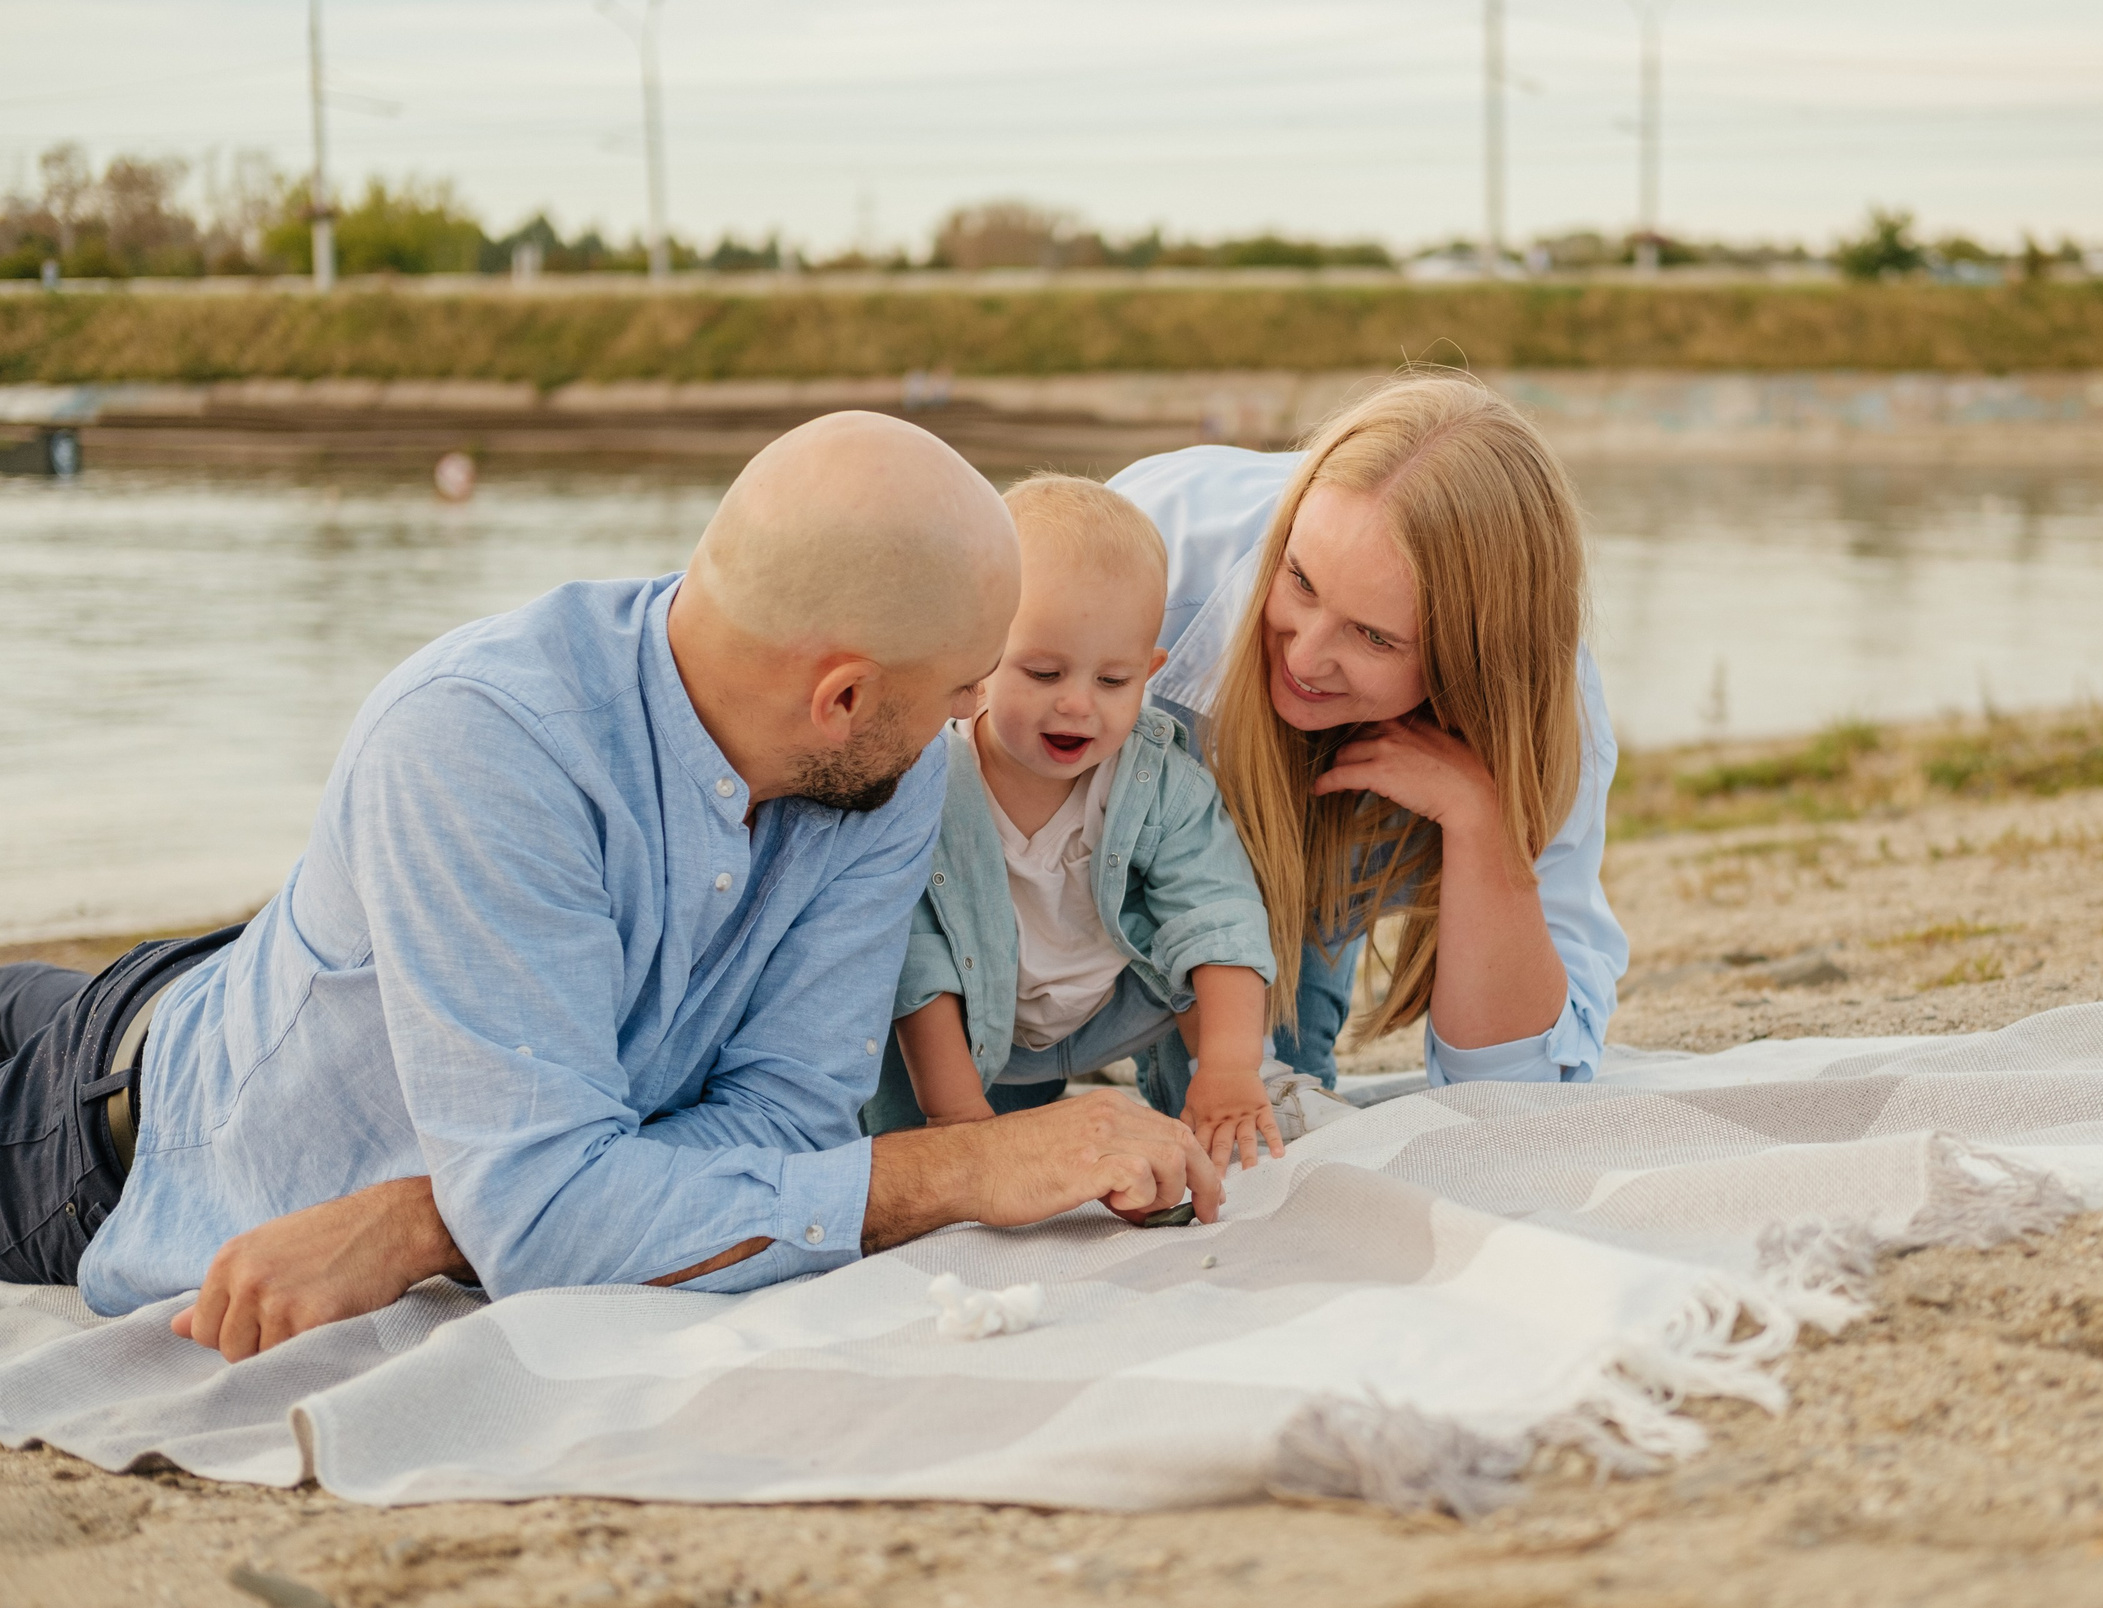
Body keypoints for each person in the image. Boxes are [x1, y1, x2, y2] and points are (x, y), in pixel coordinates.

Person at [0, 412, 1220, 1361]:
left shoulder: (882, 775)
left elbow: (788, 1114)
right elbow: (541, 1220)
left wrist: (442, 1216)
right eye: (962, 687)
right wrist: (967, 1169)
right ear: (840, 693)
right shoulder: (483, 743)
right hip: (91, 1131)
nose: (972, 720)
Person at [1107, 370, 1627, 1090]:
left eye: (1375, 636)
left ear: (1469, 666)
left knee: (1272, 1117)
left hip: (1305, 896)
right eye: (1301, 581)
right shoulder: (1149, 543)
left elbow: (1519, 1085)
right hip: (1067, 875)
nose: (1305, 655)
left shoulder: (1554, 714)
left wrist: (1479, 823)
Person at [868, 475, 1284, 1170]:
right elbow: (918, 957)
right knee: (911, 1112)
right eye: (1043, 672)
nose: (1078, 706)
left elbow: (1218, 911)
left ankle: (1222, 1102)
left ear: (1148, 673)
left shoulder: (1155, 777)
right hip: (967, 1023)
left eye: (1112, 681)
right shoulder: (930, 781)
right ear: (977, 658)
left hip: (1106, 1011)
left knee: (1204, 960)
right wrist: (959, 1120)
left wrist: (1232, 1068)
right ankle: (932, 1126)